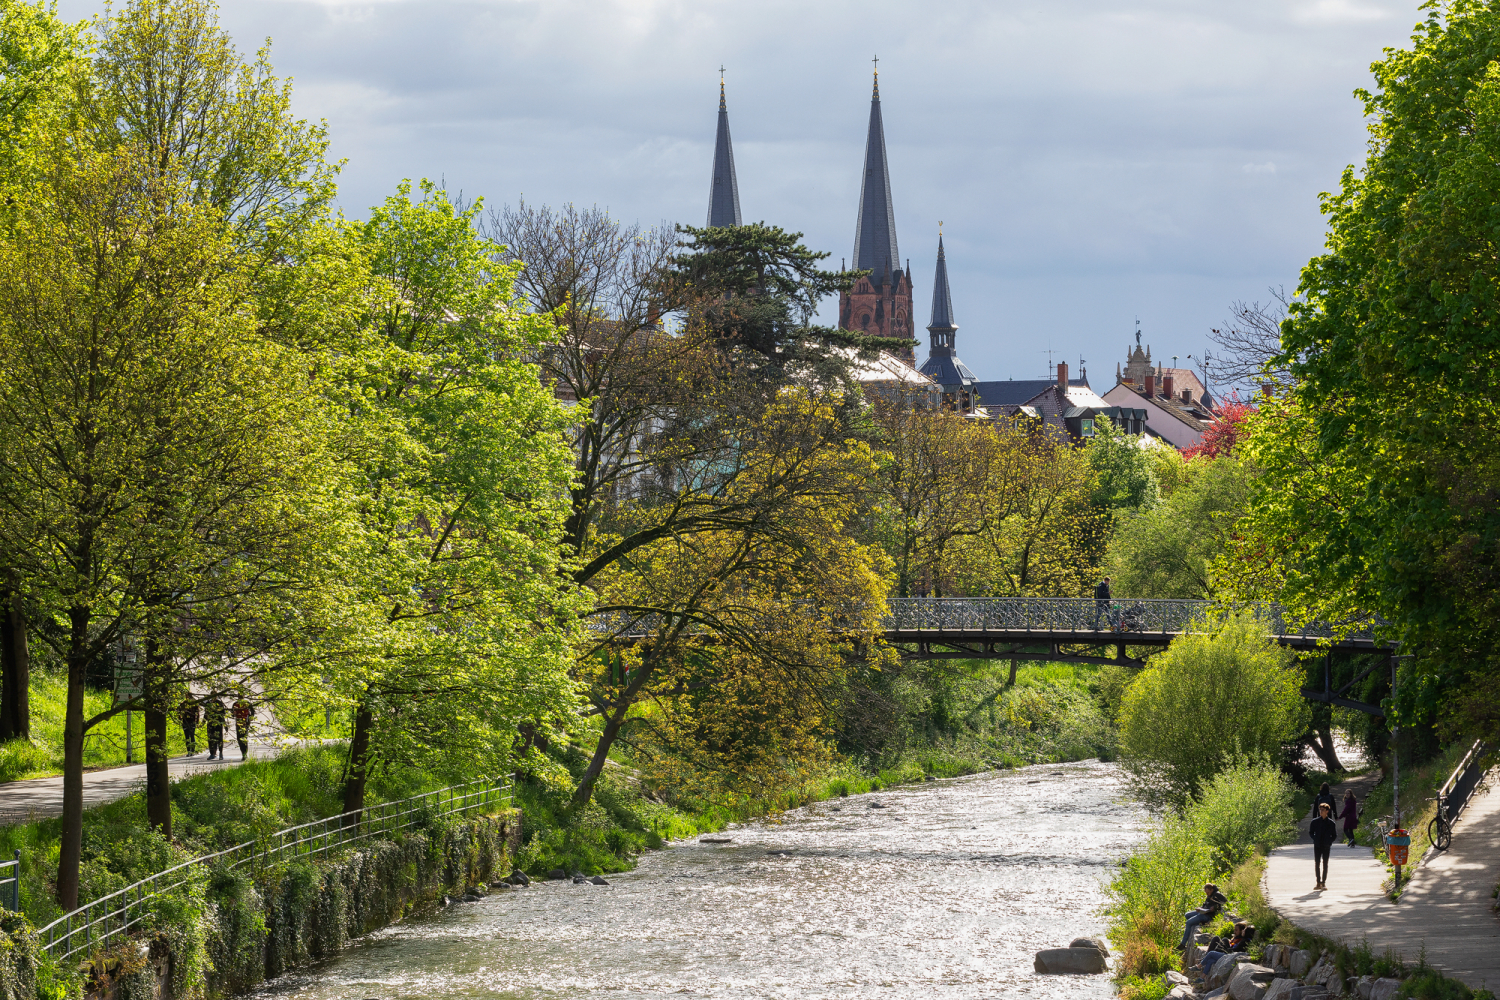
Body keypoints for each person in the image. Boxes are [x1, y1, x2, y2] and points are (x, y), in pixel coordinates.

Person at [1178, 882, 1227, 950]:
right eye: (1206, 893)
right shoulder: (1210, 895)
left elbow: (1225, 903)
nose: (1207, 894)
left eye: (1208, 892)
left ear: (1212, 890)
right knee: (1187, 915)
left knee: (1188, 923)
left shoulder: (1217, 895)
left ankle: (1183, 944)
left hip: (1209, 916)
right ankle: (1199, 921)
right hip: (1203, 912)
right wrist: (1200, 908)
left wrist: (1215, 908)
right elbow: (1206, 905)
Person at [1311, 801, 1338, 890]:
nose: (1321, 811)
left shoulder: (1331, 823)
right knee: (1317, 863)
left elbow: (1334, 835)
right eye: (1320, 810)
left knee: (1325, 864)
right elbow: (1311, 832)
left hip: (1326, 846)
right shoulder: (1315, 822)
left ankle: (1323, 882)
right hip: (1317, 845)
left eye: (1323, 810)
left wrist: (1329, 842)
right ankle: (1318, 882)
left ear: (1327, 811)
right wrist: (1315, 839)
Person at [232, 695, 254, 761]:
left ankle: (244, 754)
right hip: (238, 723)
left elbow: (252, 711)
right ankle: (243, 753)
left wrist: (251, 717)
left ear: (244, 696)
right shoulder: (235, 704)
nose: (240, 697)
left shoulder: (247, 703)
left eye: (241, 696)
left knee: (244, 738)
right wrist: (234, 713)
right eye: (239, 696)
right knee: (239, 739)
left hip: (245, 723)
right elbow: (232, 714)